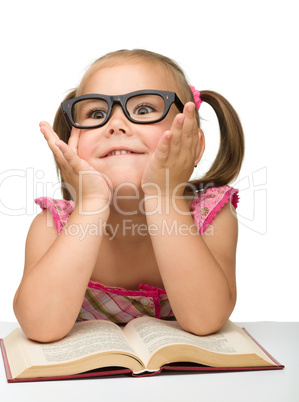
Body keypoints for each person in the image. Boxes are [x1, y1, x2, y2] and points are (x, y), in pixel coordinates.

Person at [13, 49, 244, 343]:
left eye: (144, 110)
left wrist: (163, 195)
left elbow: (205, 319)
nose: (116, 125)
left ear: (193, 143)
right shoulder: (52, 226)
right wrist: (91, 205)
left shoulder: (211, 216)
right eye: (96, 113)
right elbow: (40, 327)